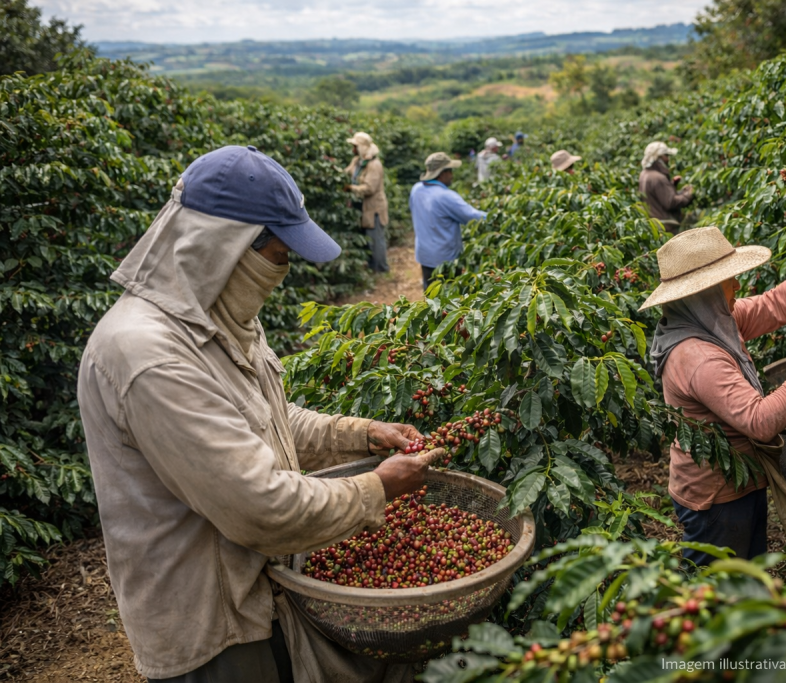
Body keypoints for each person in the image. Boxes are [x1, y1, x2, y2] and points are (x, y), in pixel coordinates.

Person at [77, 145, 442, 683]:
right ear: (228, 248)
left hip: (261, 588)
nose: (285, 268)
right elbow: (261, 508)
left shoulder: (219, 316)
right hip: (209, 626)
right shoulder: (148, 356)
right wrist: (378, 488)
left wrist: (362, 435)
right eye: (279, 252)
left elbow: (270, 418)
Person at [639, 227, 786, 567]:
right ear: (704, 292)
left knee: (747, 573)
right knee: (717, 592)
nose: (737, 285)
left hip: (740, 479)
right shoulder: (699, 358)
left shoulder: (711, 323)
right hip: (717, 497)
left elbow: (774, 304)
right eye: (729, 280)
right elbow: (760, 422)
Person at [410, 152, 487, 290]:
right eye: (450, 171)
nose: (452, 175)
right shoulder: (446, 197)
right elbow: (472, 216)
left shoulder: (416, 190)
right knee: (449, 301)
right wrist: (496, 216)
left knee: (431, 296)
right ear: (441, 174)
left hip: (425, 255)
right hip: (445, 259)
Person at [344, 132, 389, 272]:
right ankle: (371, 268)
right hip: (362, 207)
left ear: (362, 147)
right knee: (366, 239)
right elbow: (346, 173)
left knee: (375, 239)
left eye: (355, 146)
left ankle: (380, 269)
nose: (353, 150)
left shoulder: (374, 165)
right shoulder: (357, 161)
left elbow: (370, 188)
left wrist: (351, 188)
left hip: (374, 208)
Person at [639, 141, 694, 235]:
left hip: (654, 224)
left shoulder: (644, 174)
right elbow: (670, 202)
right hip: (665, 227)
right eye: (666, 156)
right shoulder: (658, 178)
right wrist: (688, 194)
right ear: (659, 158)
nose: (668, 159)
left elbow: (656, 196)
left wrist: (671, 186)